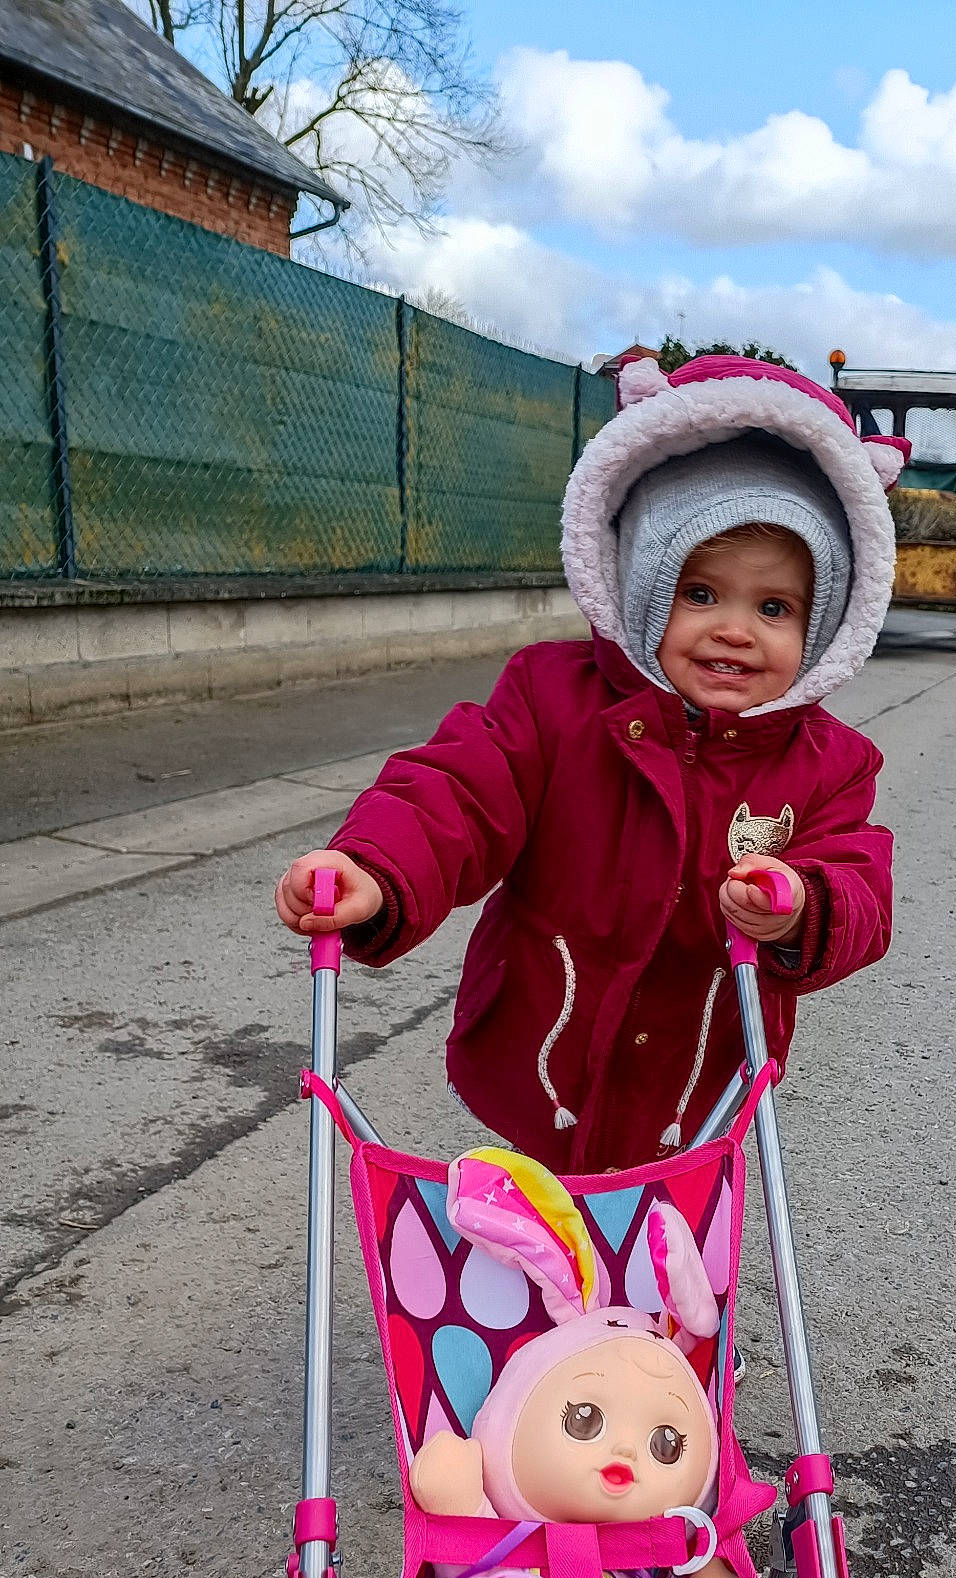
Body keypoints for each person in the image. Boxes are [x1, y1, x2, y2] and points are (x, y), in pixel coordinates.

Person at [274, 354, 910, 1171]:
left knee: (673, 1269)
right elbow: (456, 790)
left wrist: (802, 904)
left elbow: (858, 874)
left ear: (821, 625)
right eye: (700, 594)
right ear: (645, 585)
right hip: (546, 1048)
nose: (735, 630)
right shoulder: (553, 701)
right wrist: (374, 866)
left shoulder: (828, 763)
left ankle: (670, 1303)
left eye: (775, 607)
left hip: (698, 1083)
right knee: (538, 1250)